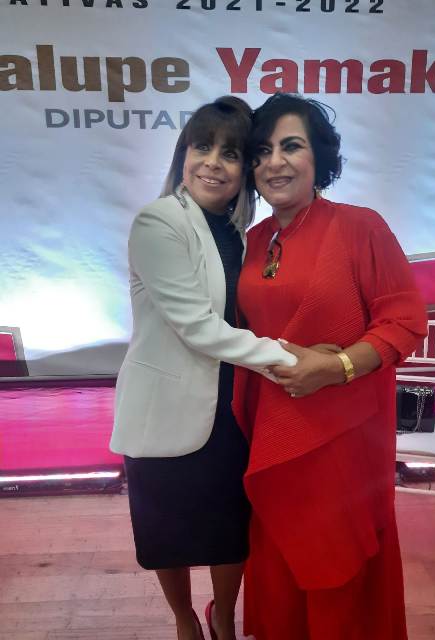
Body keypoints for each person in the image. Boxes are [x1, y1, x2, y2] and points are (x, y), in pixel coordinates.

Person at [232, 93, 428, 640]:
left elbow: (405, 321)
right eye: (262, 151)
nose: (274, 163)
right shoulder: (254, 241)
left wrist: (337, 365)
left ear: (319, 157)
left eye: (291, 146)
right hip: (272, 432)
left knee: (338, 558)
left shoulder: (360, 227)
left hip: (344, 437)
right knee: (280, 552)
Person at [109, 96, 303, 640]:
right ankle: (185, 620)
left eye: (231, 153)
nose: (213, 163)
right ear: (183, 154)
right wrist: (293, 358)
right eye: (202, 147)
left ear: (246, 170)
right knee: (164, 534)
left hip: (231, 409)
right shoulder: (158, 221)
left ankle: (223, 618)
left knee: (229, 531)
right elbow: (197, 326)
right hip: (163, 407)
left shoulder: (242, 234)